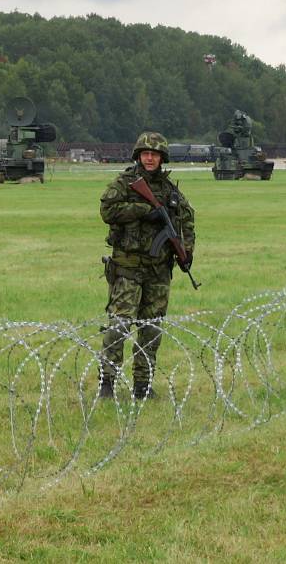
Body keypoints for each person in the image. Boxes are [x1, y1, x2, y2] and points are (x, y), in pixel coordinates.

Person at [98, 131, 195, 399]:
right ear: (138, 156)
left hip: (158, 269)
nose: (150, 158)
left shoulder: (170, 190)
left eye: (154, 154)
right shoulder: (125, 183)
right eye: (145, 154)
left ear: (162, 157)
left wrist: (186, 252)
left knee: (151, 329)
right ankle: (107, 381)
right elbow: (108, 211)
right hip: (128, 267)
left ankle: (143, 384)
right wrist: (144, 211)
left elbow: (186, 220)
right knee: (119, 325)